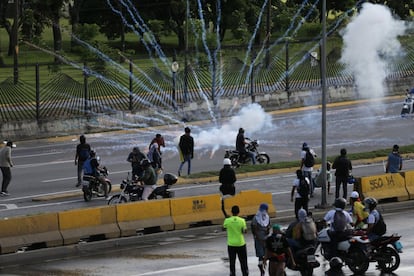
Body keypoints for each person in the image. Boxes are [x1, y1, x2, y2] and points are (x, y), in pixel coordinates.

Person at [223, 205, 249, 276]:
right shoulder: (242, 221)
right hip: (241, 244)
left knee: (232, 262)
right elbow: (245, 231)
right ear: (239, 212)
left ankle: (232, 273)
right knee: (243, 262)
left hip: (231, 244)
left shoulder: (227, 220)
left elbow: (223, 228)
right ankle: (245, 274)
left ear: (231, 212)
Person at [251, 203, 271, 276]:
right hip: (259, 239)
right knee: (260, 255)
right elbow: (254, 229)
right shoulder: (256, 218)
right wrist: (259, 238)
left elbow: (269, 226)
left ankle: (264, 266)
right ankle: (261, 269)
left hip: (265, 238)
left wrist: (268, 230)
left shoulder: (267, 217)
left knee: (266, 253)